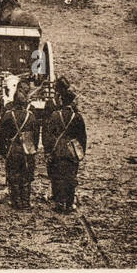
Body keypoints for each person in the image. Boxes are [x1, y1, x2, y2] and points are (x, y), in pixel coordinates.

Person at [42, 78, 87, 213]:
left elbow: (49, 134)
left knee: (58, 175)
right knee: (71, 176)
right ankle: (69, 202)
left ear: (62, 101)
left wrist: (48, 150)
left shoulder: (55, 115)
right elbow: (82, 136)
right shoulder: (77, 117)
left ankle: (59, 202)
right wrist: (81, 151)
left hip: (58, 149)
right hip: (72, 149)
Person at [0, 84, 39, 209]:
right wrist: (33, 149)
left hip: (13, 148)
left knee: (13, 174)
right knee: (26, 175)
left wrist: (3, 150)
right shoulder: (31, 116)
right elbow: (36, 136)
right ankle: (26, 201)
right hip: (27, 148)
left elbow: (2, 135)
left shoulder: (8, 115)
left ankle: (15, 201)